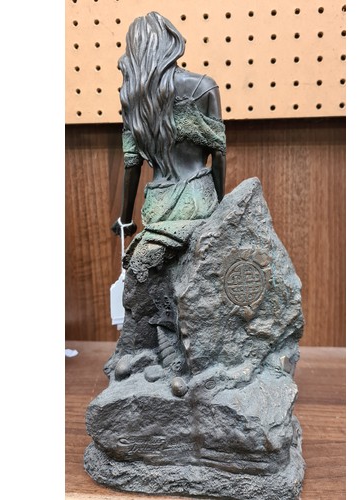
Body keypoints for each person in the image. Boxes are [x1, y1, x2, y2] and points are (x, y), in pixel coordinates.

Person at [108, 12, 226, 390]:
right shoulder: (203, 86)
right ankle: (182, 358)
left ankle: (154, 352)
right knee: (192, 281)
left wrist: (125, 218)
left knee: (153, 277)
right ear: (172, 41)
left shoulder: (133, 99)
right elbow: (218, 154)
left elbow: (131, 165)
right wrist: (222, 207)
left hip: (158, 206)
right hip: (199, 198)